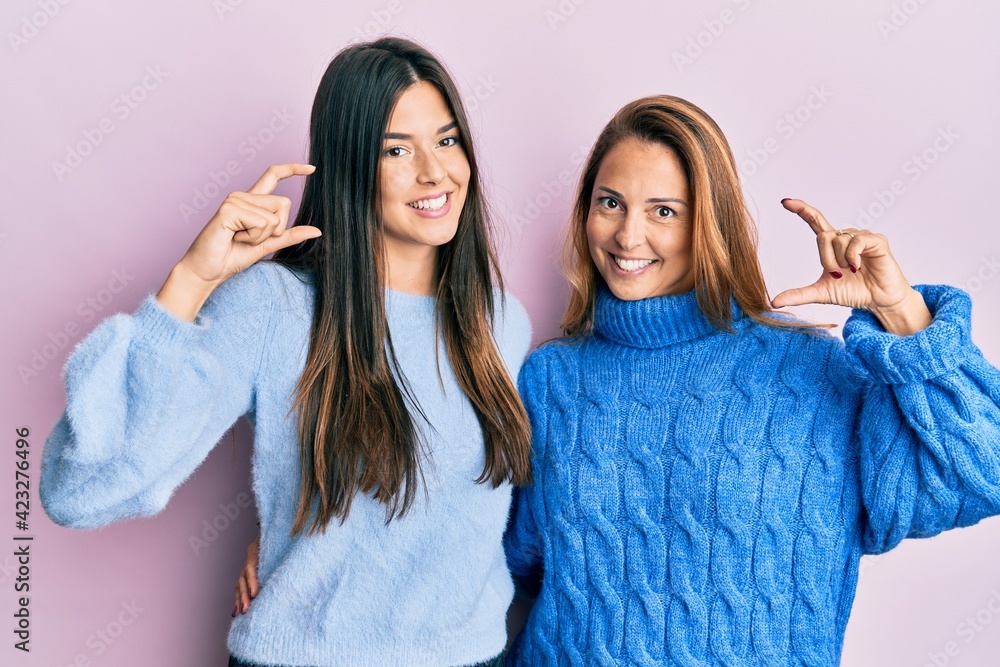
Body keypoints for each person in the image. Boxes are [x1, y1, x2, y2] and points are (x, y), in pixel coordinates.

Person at [39, 37, 531, 667]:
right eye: (395, 150)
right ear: (348, 164)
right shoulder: (274, 307)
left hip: (474, 658)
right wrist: (192, 280)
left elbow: (479, 517)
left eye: (447, 139)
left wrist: (310, 525)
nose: (434, 172)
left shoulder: (499, 322)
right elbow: (80, 490)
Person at [502, 95, 1000, 665]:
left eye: (664, 211)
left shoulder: (813, 374)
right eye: (609, 203)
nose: (627, 235)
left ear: (709, 223)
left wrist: (900, 312)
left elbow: (985, 473)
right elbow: (520, 560)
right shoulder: (553, 378)